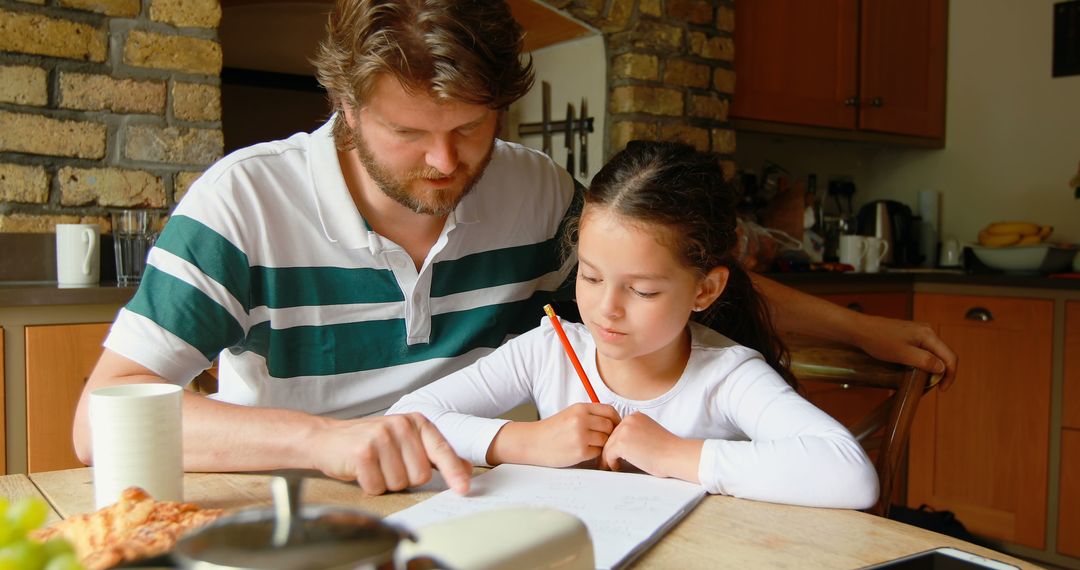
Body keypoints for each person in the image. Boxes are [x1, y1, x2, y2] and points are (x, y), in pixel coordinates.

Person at [72, 0, 954, 496]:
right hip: (311, 510)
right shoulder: (245, 199)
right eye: (409, 132)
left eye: (470, 128)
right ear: (346, 104)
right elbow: (98, 418)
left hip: (484, 502)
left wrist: (862, 329)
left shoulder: (530, 189)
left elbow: (666, 272)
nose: (446, 162)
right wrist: (323, 441)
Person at [389, 142, 878, 508]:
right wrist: (522, 442)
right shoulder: (548, 350)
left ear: (704, 290)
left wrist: (672, 455)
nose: (606, 308)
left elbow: (849, 474)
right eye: (591, 275)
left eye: (642, 290)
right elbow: (406, 419)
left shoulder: (727, 376)